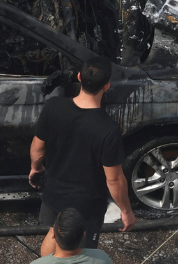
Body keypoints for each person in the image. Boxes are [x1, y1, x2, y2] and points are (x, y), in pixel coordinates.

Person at [29, 56, 135, 253]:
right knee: (82, 252)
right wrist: (126, 210)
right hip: (86, 205)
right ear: (107, 86)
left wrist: (36, 168)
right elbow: (114, 179)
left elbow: (37, 146)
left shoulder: (53, 107)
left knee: (54, 232)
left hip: (54, 192)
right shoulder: (108, 129)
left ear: (79, 77)